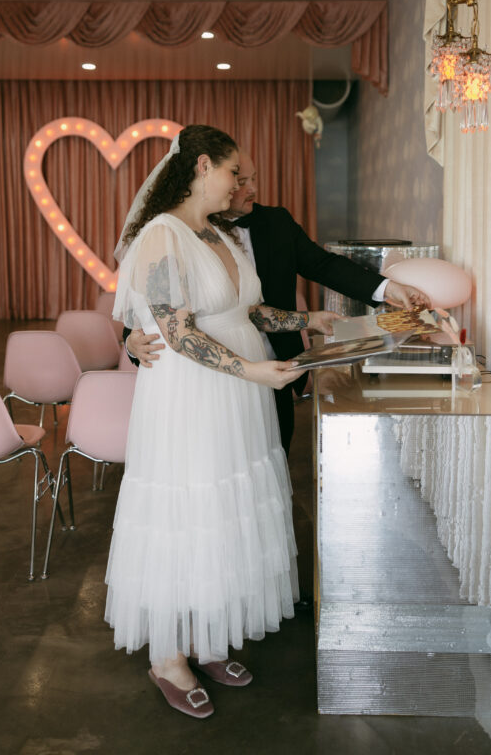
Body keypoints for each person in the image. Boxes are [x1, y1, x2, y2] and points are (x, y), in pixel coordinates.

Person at [106, 125, 337, 720]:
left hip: (239, 397)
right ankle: (167, 657)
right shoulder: (162, 237)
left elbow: (249, 310)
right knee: (190, 511)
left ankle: (207, 638)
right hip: (193, 398)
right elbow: (178, 333)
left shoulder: (224, 235)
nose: (245, 185)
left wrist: (308, 319)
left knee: (227, 514)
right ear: (204, 167)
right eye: (239, 173)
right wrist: (253, 373)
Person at [126, 151, 429, 453]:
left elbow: (324, 265)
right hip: (206, 383)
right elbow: (145, 309)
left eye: (253, 179)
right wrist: (131, 343)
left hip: (277, 367)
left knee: (272, 459)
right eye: (239, 179)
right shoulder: (177, 233)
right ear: (208, 176)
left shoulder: (277, 222)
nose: (250, 189)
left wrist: (387, 288)